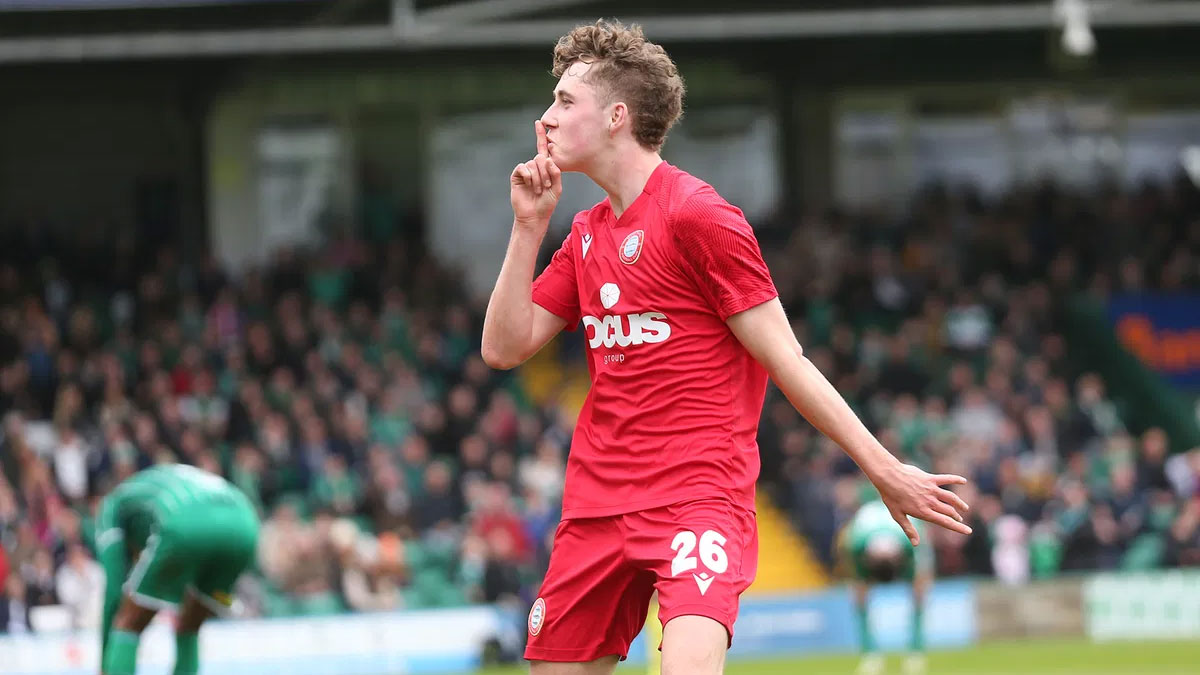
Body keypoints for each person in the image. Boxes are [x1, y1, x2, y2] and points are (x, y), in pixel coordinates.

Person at [480, 19, 971, 675]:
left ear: (617, 117)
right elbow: (503, 348)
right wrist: (528, 226)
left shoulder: (698, 215)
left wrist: (882, 468)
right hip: (596, 505)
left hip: (697, 497)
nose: (547, 118)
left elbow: (786, 359)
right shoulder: (586, 233)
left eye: (566, 101)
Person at [95, 463, 260, 675]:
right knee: (191, 622)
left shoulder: (111, 507)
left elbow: (114, 587)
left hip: (185, 521)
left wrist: (103, 662)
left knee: (128, 621)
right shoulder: (158, 485)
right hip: (245, 522)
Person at [841, 498, 934, 675]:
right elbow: (855, 576)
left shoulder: (911, 541)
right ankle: (870, 654)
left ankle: (916, 651)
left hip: (908, 535)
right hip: (879, 535)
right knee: (859, 597)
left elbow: (923, 568)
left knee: (919, 594)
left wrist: (921, 581)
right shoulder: (855, 544)